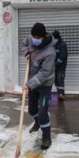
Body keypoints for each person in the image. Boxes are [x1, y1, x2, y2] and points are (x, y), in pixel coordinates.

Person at [22, 22, 56, 150]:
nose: (34, 39)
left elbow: (45, 73)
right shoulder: (31, 39)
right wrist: (26, 53)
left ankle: (46, 137)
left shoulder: (50, 52)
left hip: (45, 84)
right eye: (33, 36)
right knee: (31, 109)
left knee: (43, 113)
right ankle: (38, 122)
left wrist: (29, 84)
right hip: (33, 81)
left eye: (37, 37)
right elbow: (24, 42)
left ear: (43, 37)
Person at [52, 30, 68, 101]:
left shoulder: (62, 44)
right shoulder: (54, 44)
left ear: (57, 37)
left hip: (61, 67)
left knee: (60, 79)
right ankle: (58, 95)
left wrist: (56, 64)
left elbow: (63, 56)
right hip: (55, 66)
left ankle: (61, 94)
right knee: (56, 80)